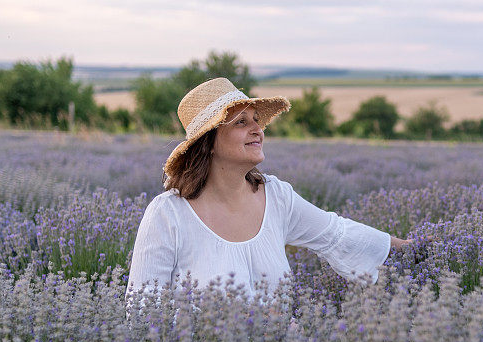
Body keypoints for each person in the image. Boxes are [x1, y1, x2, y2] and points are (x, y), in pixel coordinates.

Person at [125, 77, 412, 309]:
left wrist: (411, 250)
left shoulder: (276, 197)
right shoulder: (168, 215)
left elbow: (335, 234)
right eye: (241, 122)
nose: (257, 130)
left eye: (256, 120)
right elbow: (141, 310)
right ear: (209, 142)